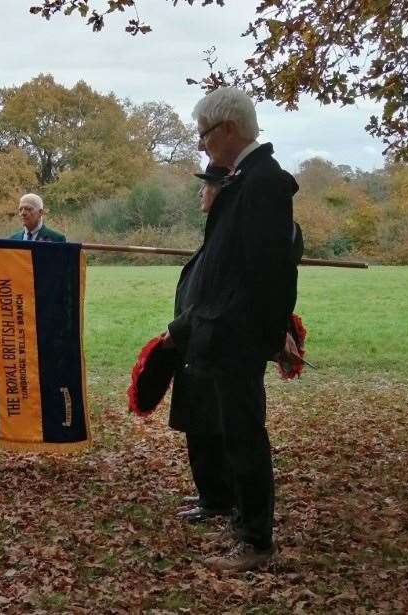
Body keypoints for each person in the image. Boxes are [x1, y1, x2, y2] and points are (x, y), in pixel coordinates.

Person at [162, 87, 300, 572]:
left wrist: (270, 335)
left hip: (238, 336)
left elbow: (272, 271)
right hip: (222, 332)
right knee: (227, 432)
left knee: (244, 436)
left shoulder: (264, 182)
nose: (201, 146)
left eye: (204, 135)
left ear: (228, 130)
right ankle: (239, 519)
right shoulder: (244, 179)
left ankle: (256, 542)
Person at [169, 164, 235, 525]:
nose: (200, 193)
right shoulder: (214, 234)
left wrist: (176, 329)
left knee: (209, 426)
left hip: (206, 344)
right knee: (199, 425)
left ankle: (218, 499)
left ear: (220, 192)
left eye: (206, 187)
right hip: (193, 347)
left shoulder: (225, 239)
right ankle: (211, 493)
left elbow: (209, 299)